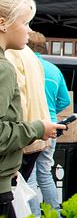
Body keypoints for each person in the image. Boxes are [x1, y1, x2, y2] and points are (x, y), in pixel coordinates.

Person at [0, 0, 64, 218]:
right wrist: (39, 128)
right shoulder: (4, 68)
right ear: (3, 23)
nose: (29, 30)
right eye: (25, 22)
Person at [26, 31, 70, 218]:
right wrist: (50, 109)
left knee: (30, 175)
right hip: (51, 125)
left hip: (30, 126)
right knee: (45, 172)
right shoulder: (53, 69)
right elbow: (64, 101)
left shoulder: (24, 66)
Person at [5, 44, 51, 181]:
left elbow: (18, 101)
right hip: (34, 134)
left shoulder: (9, 54)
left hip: (21, 136)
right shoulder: (29, 54)